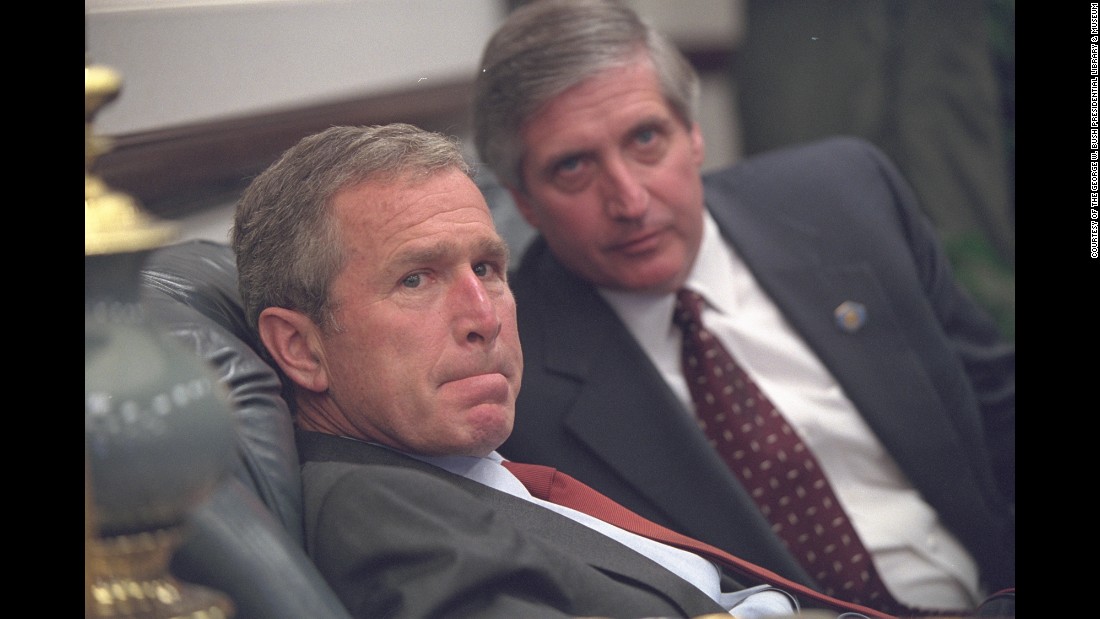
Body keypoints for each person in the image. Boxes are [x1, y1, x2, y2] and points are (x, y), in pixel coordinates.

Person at [471, 0, 1014, 616]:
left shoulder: (846, 197)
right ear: (525, 201)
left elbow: (1002, 411)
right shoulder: (516, 385)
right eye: (572, 166)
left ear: (694, 133)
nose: (629, 199)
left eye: (645, 139)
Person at [230, 122, 900, 619]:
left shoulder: (460, 471)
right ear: (300, 347)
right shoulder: (379, 513)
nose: (483, 316)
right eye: (416, 279)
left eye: (487, 268)